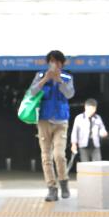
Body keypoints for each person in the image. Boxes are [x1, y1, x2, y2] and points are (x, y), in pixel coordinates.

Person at [29, 50, 75, 202]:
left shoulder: (67, 77)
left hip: (61, 121)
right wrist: (45, 80)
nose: (54, 64)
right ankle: (51, 189)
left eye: (57, 61)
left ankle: (64, 182)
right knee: (46, 157)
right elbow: (32, 92)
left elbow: (69, 94)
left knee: (59, 155)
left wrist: (59, 80)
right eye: (51, 61)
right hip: (43, 121)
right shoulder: (40, 75)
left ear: (62, 63)